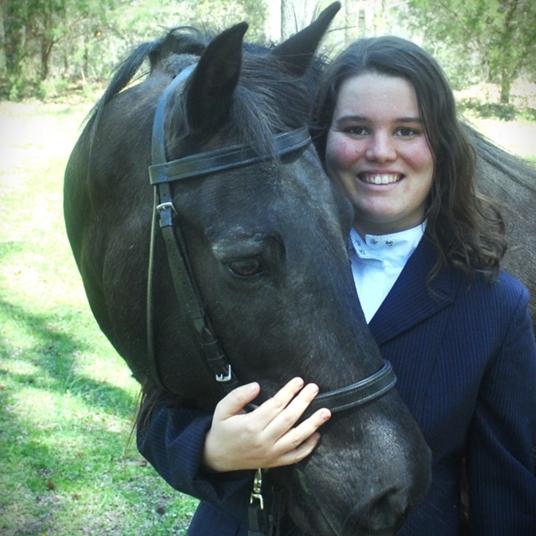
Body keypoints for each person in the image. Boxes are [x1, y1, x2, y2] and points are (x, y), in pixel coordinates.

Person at [137, 36, 536, 535]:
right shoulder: (251, 261)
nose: (380, 152)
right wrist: (212, 450)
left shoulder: (495, 308)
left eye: (408, 130)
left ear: (442, 145)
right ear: (320, 137)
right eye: (356, 128)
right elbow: (158, 420)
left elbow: (504, 493)